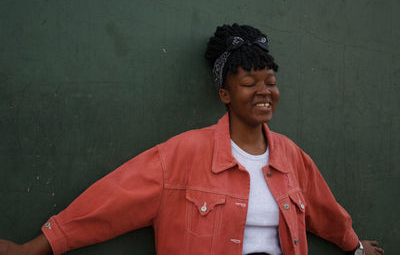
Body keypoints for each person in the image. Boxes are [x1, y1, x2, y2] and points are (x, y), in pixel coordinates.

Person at [0, 24, 385, 255]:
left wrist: (355, 246)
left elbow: (324, 211)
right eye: (249, 83)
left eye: (270, 81)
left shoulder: (291, 158)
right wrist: (34, 248)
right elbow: (110, 203)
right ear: (225, 95)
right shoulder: (182, 155)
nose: (264, 91)